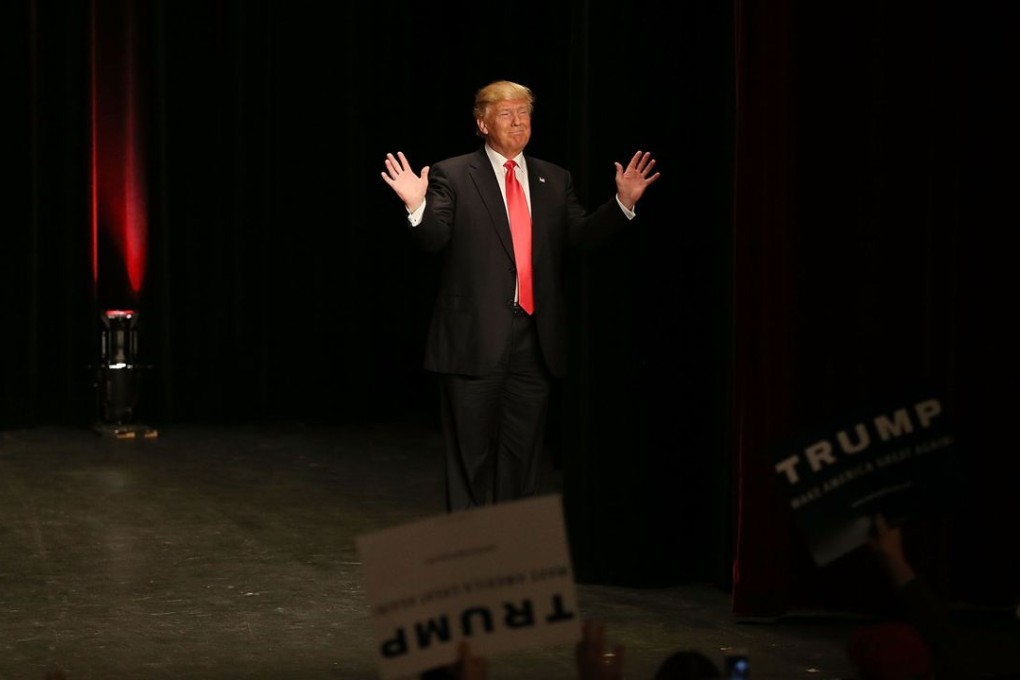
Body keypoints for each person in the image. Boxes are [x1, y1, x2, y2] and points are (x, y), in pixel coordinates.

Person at [381, 79, 660, 511]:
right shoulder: (452, 173)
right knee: (469, 460)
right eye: (507, 113)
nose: (518, 121)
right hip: (473, 340)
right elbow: (434, 240)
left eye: (525, 113)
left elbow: (581, 236)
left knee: (522, 460)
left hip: (534, 341)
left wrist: (621, 205)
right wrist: (416, 208)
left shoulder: (554, 177)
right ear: (482, 123)